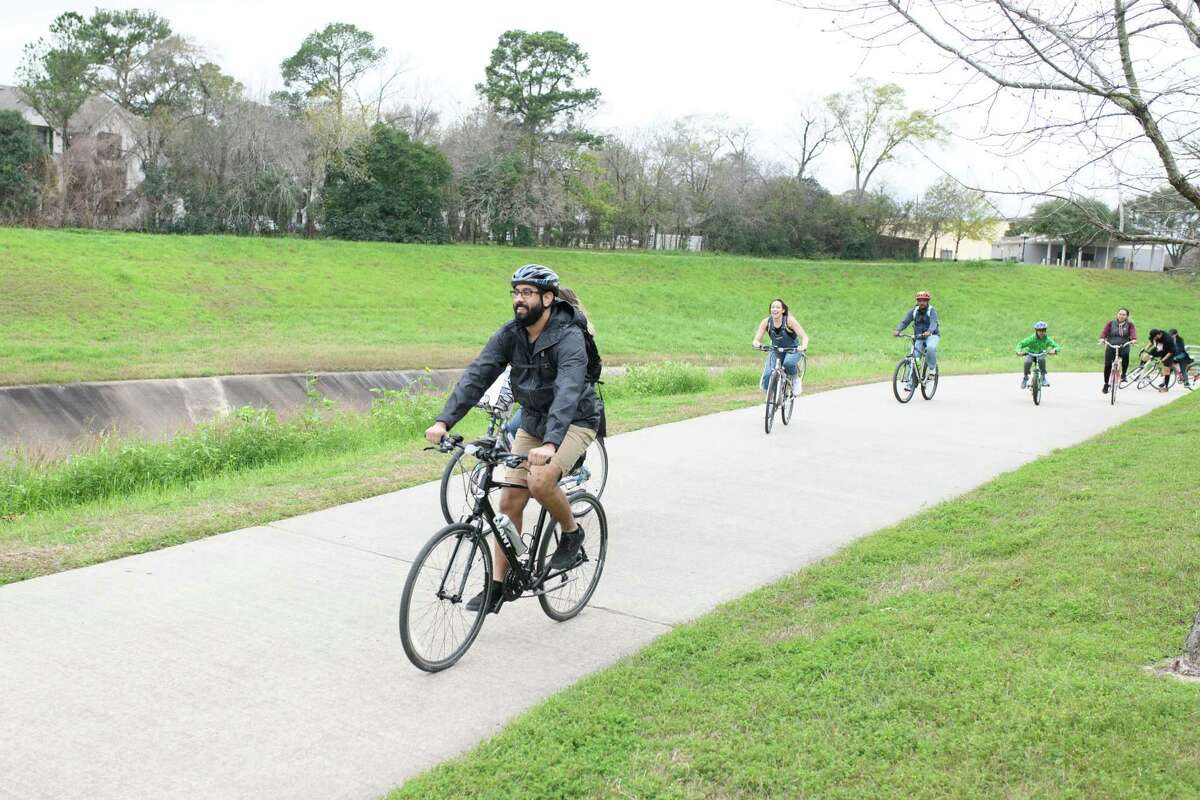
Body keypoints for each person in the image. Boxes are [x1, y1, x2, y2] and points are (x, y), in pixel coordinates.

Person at [425, 264, 603, 613]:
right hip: (534, 422)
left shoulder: (569, 337)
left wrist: (551, 444)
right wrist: (443, 420)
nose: (519, 300)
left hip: (574, 422)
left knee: (540, 480)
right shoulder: (511, 335)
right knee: (508, 503)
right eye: (516, 293)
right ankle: (498, 585)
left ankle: (570, 533)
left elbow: (567, 391)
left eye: (527, 293)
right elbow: (478, 374)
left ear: (548, 298)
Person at [504, 286, 596, 437]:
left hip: (566, 400)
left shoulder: (574, 335)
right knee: (518, 430)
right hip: (541, 397)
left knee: (517, 428)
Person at [752, 298, 809, 393]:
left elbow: (804, 336)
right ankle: (770, 398)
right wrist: (757, 344)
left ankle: (795, 380)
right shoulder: (766, 322)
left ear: (783, 310)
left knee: (788, 363)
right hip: (775, 350)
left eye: (778, 307)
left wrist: (803, 346)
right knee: (768, 374)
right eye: (772, 307)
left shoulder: (789, 321)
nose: (774, 309)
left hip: (792, 349)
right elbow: (756, 340)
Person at [893, 290, 940, 381]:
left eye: (924, 300)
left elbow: (934, 323)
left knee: (930, 348)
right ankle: (911, 383)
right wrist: (898, 330)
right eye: (919, 300)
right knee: (914, 358)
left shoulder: (931, 311)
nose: (921, 302)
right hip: (919, 337)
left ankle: (932, 370)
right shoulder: (913, 311)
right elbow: (905, 322)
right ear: (917, 301)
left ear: (927, 301)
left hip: (932, 335)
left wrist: (929, 331)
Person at [1099, 307, 1137, 393]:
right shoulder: (1111, 323)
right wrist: (1102, 338)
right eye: (1120, 314)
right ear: (1117, 314)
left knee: (1125, 355)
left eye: (1124, 315)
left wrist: (1134, 339)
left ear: (1127, 316)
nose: (1121, 316)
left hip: (1123, 345)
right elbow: (1104, 332)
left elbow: (1133, 333)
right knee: (1107, 365)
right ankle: (1106, 384)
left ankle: (1123, 374)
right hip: (1111, 345)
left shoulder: (1130, 325)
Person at [1015, 321, 1060, 389]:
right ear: (1036, 331)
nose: (1041, 332)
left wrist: (1054, 350)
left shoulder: (1047, 339)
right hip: (1030, 354)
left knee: (1042, 359)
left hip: (1041, 354)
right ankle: (1025, 377)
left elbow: (1057, 346)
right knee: (1027, 361)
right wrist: (1018, 351)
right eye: (1039, 330)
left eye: (1043, 330)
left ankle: (1043, 377)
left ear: (1045, 330)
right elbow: (1020, 344)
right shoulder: (1031, 339)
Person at [1146, 328, 1179, 393]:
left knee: (1166, 369)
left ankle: (1165, 387)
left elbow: (1170, 352)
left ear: (1159, 335)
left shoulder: (1168, 339)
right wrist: (1145, 349)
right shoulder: (1155, 334)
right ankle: (1141, 370)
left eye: (1155, 338)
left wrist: (1162, 360)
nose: (1154, 339)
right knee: (1146, 355)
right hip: (1160, 348)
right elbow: (1151, 341)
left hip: (1169, 352)